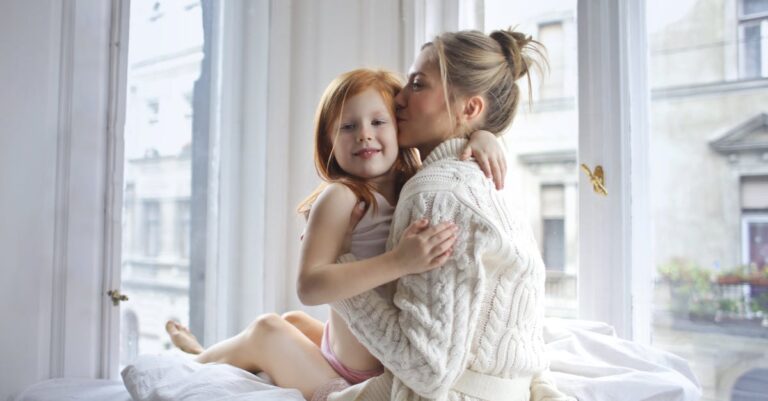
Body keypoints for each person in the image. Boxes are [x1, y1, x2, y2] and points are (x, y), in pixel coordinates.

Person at [164, 68, 509, 401]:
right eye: (347, 126)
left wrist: (483, 136)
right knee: (268, 328)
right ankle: (195, 362)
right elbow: (309, 286)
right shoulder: (342, 196)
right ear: (328, 141)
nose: (363, 134)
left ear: (400, 128)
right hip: (353, 374)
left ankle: (213, 350)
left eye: (378, 122)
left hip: (377, 354)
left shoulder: (417, 184)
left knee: (293, 323)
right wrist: (399, 261)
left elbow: (454, 143)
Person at [324, 29, 572, 401]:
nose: (398, 98)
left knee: (276, 340)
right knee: (286, 328)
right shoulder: (492, 186)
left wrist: (340, 278)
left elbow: (427, 373)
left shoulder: (434, 194)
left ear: (470, 109)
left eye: (417, 84)